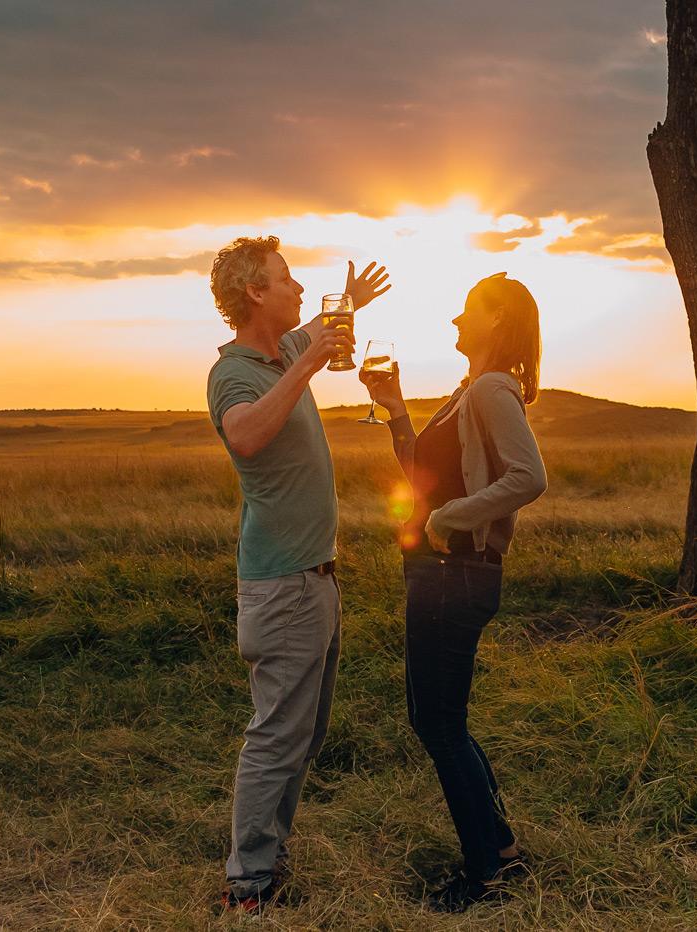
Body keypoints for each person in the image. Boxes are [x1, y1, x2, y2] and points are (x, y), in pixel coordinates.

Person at [206, 235, 390, 915]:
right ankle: (248, 887)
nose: (300, 289)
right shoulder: (235, 374)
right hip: (282, 584)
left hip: (315, 579)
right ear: (257, 292)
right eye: (288, 279)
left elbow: (323, 328)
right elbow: (247, 435)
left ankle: (268, 857)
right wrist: (308, 361)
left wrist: (350, 305)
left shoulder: (281, 351)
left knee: (302, 733)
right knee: (277, 734)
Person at [360, 272, 547, 912]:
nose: (455, 321)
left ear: (496, 321)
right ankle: (499, 850)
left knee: (438, 725)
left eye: (468, 310)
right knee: (439, 721)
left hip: (456, 574)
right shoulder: (470, 391)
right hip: (440, 573)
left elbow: (529, 477)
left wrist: (448, 519)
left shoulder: (495, 389)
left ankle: (486, 876)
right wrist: (398, 410)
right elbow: (422, 476)